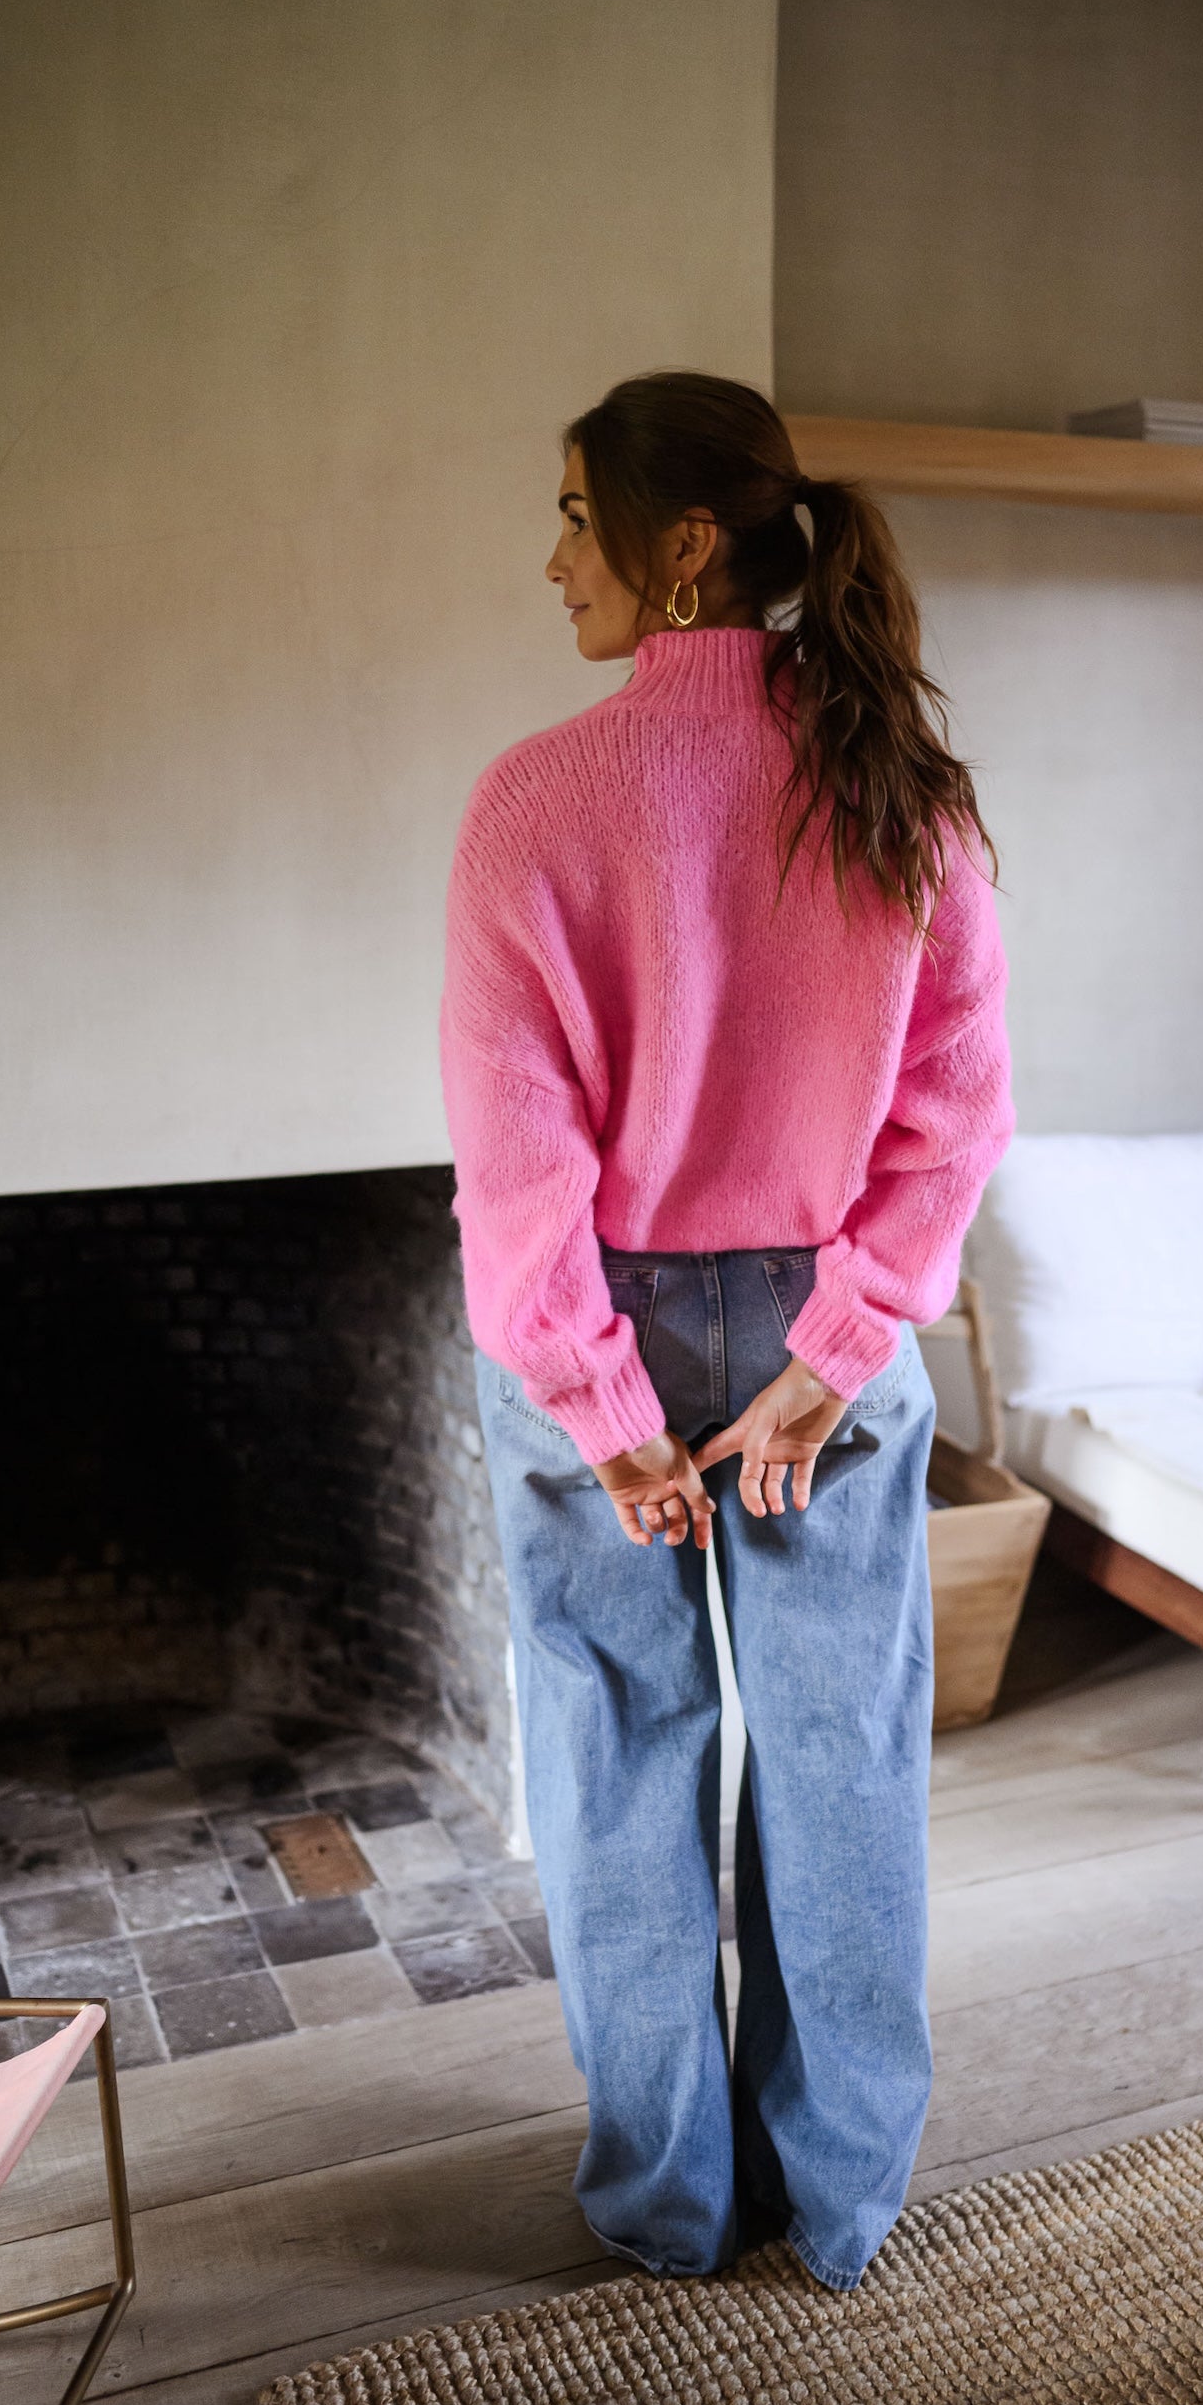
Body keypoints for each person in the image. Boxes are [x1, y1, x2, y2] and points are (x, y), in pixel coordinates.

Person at [439, 369, 1013, 2294]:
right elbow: (953, 1118)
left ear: (680, 545)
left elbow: (515, 1164)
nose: (551, 557)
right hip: (814, 1344)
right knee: (845, 1764)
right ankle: (836, 2200)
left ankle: (666, 2209)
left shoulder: (533, 802)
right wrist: (831, 1355)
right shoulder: (904, 794)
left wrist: (603, 1404)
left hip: (590, 1321)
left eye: (573, 513)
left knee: (613, 1768)